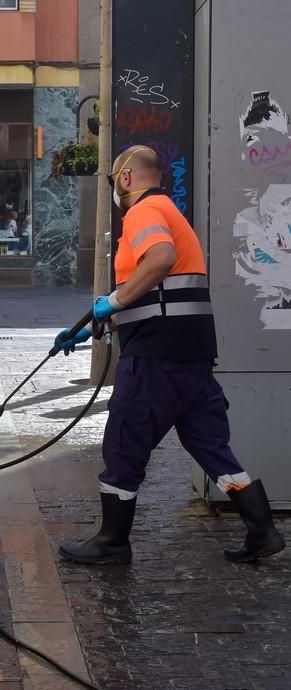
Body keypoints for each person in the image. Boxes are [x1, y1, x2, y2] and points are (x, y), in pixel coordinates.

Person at [55, 145, 286, 566]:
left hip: (157, 358)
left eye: (112, 181)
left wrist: (114, 301)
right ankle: (262, 530)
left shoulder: (144, 213)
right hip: (192, 355)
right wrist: (88, 328)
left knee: (124, 444)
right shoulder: (170, 212)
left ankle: (112, 541)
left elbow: (160, 261)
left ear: (125, 177)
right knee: (210, 445)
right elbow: (160, 295)